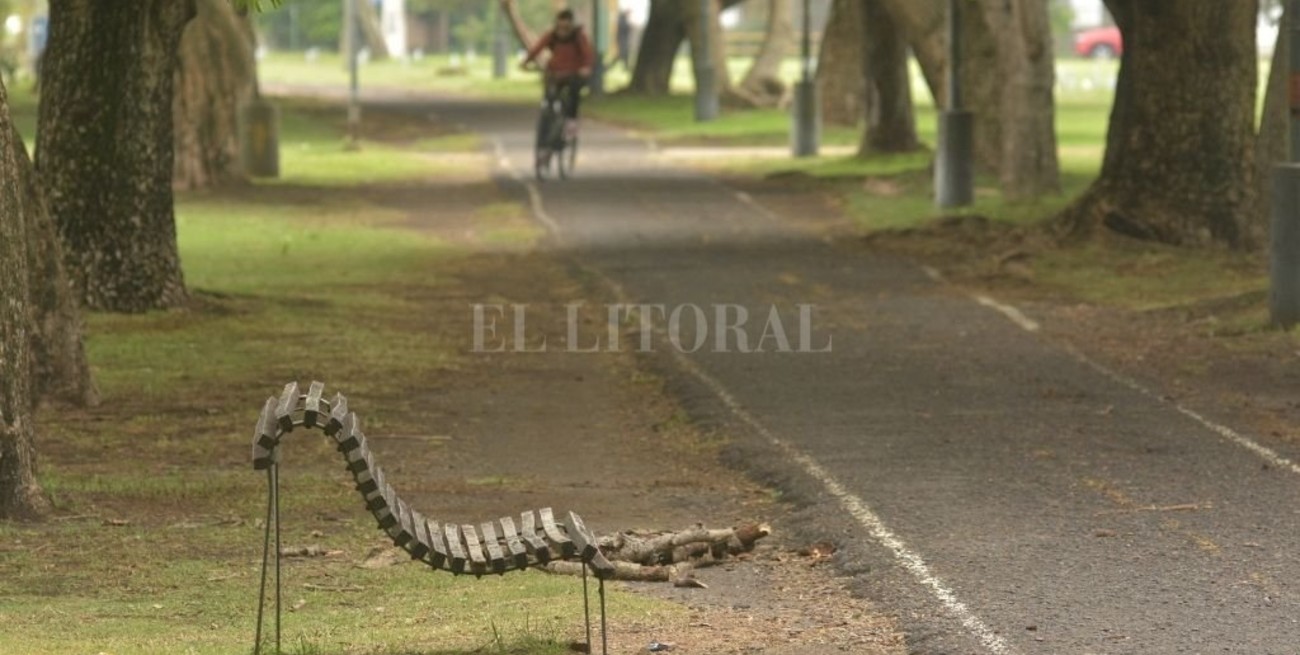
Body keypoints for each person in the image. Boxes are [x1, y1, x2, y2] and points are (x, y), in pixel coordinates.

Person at [521, 9, 594, 136]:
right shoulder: (552, 35)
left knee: (573, 95)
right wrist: (526, 61)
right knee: (549, 95)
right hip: (555, 73)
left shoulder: (578, 36)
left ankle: (571, 122)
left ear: (571, 25)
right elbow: (538, 48)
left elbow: (587, 54)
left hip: (573, 74)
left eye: (565, 27)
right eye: (560, 26)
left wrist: (585, 67)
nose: (562, 31)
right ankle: (547, 124)